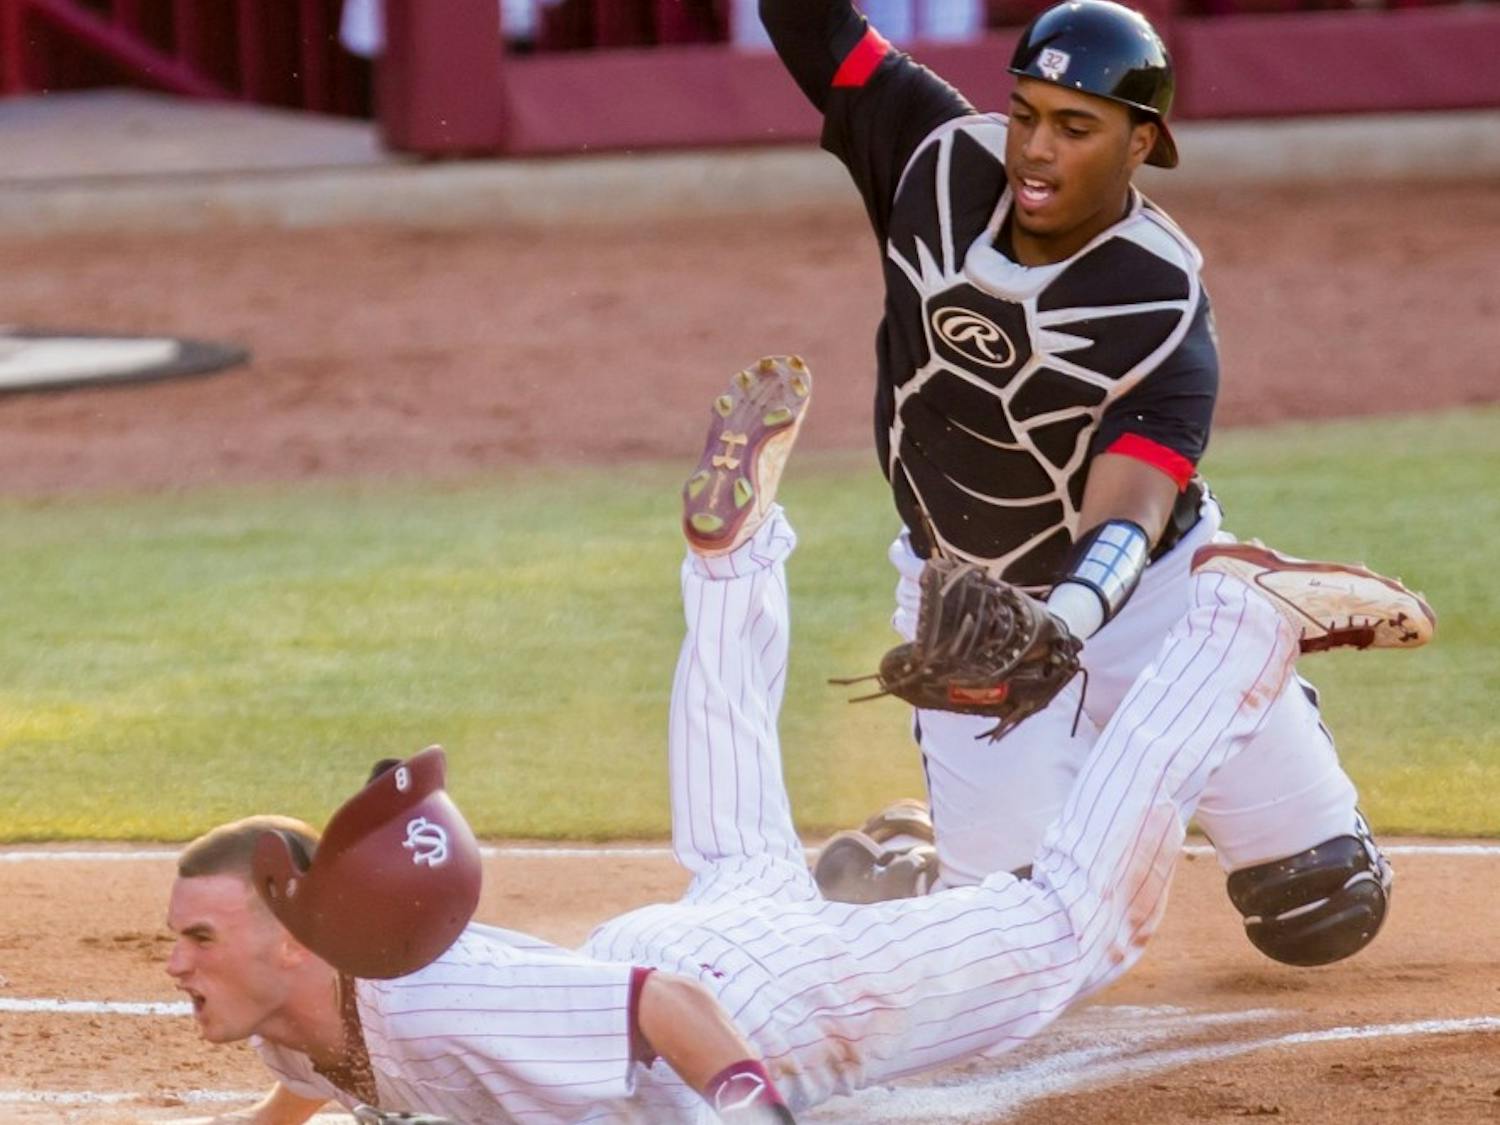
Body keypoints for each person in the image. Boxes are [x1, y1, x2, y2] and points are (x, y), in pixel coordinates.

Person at [164, 356, 1395, 1124]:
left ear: (289, 936)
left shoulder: (434, 1011)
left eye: (201, 936)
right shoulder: (316, 1000)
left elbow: (667, 1008)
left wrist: (751, 1106)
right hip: (672, 944)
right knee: (738, 849)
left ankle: (1234, 626)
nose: (173, 962)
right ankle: (733, 561)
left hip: (741, 1005)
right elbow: (315, 1079)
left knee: (1081, 924)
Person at [759, 0, 1434, 966]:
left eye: (1075, 127)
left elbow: (1134, 505)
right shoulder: (935, 155)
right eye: (1026, 112)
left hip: (1152, 603)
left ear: (1141, 142)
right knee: (1011, 956)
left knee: (1324, 907)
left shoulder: (1161, 303)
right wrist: (1023, 630)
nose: (1034, 149)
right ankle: (918, 860)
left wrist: (1066, 626)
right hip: (971, 609)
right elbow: (806, 22)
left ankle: (1247, 683)